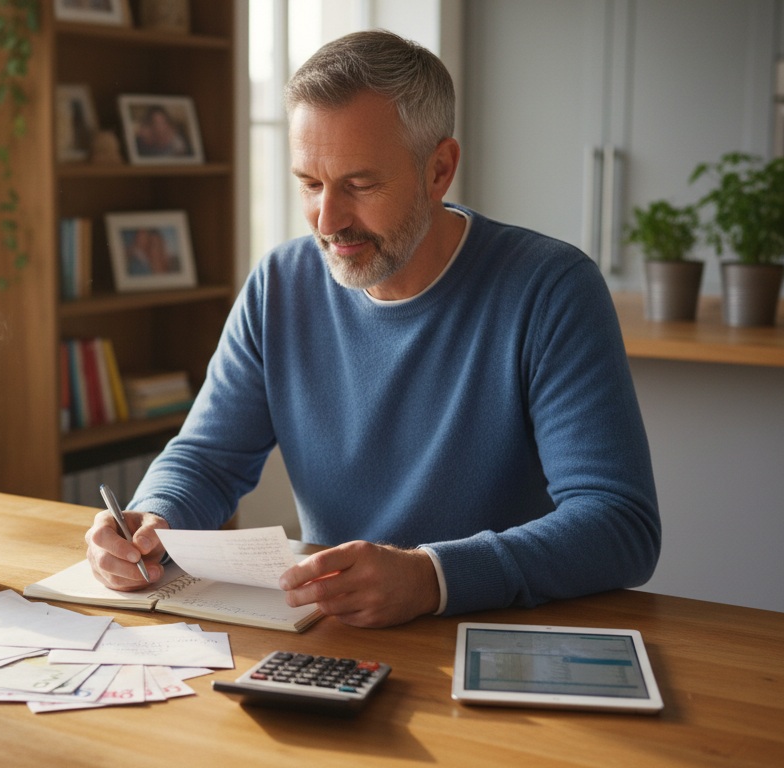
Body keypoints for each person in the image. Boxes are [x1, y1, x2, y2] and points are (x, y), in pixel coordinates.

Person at [85, 30, 660, 628]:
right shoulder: (280, 284)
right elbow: (207, 458)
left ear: (439, 170)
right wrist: (153, 519)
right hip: (338, 633)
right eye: (310, 184)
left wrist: (432, 577)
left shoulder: (552, 288)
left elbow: (619, 524)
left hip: (496, 637)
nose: (328, 220)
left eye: (360, 185)